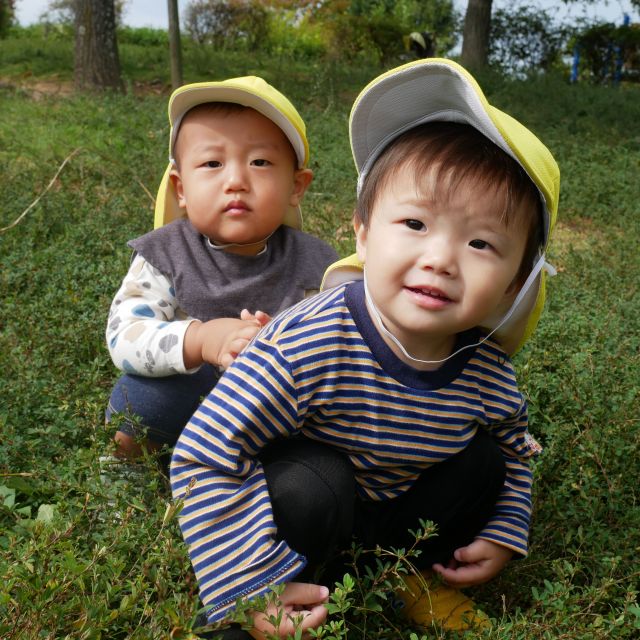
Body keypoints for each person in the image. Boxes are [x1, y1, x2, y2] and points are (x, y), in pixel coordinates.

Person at [170, 58, 560, 639]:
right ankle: (247, 609)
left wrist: (506, 525)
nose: (440, 259)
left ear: (515, 282)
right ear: (363, 232)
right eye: (414, 223)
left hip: (395, 515)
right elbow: (204, 454)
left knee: (484, 462)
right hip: (304, 510)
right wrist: (252, 582)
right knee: (313, 483)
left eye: (481, 242)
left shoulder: (485, 369)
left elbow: (516, 445)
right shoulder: (306, 343)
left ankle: (395, 573)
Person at [105, 76, 338, 460]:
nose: (235, 181)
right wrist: (202, 340)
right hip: (188, 400)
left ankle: (260, 479)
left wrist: (283, 344)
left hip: (271, 414)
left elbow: (341, 341)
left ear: (296, 186)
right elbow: (124, 336)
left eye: (260, 162)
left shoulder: (317, 264)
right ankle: (130, 470)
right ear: (180, 188)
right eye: (212, 163)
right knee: (139, 397)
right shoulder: (164, 254)